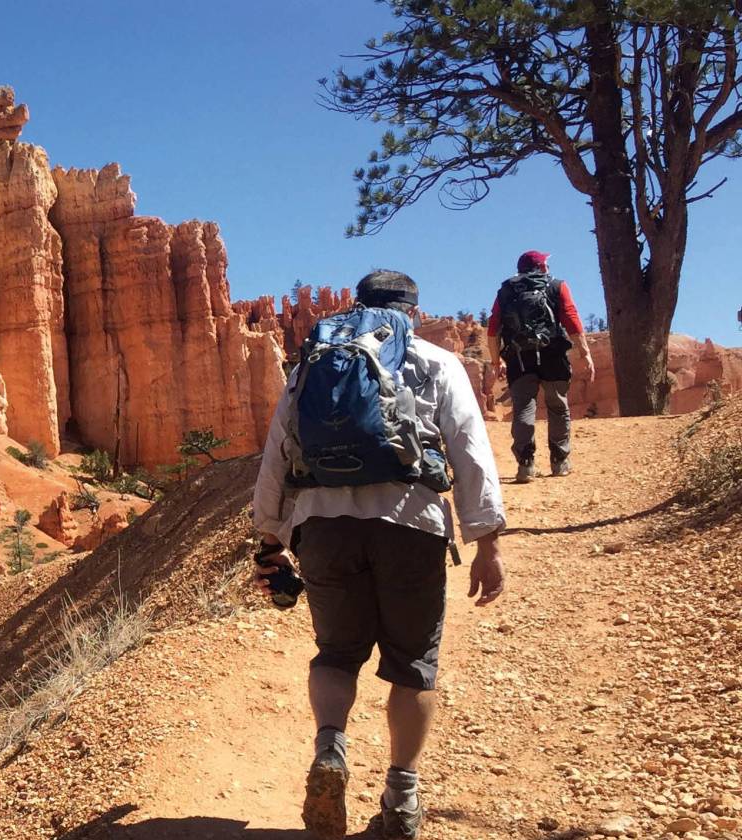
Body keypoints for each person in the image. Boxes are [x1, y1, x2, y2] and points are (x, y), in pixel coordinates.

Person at [253, 269, 508, 839]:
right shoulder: (435, 362)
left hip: (322, 527)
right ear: (411, 311)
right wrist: (485, 538)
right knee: (413, 663)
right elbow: (470, 450)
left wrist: (269, 538)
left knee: (336, 653)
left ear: (356, 307)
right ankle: (402, 797)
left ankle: (330, 751)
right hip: (410, 526)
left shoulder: (310, 369)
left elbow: (276, 456)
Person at [487, 250, 593, 482]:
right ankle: (560, 461)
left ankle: (525, 465)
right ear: (542, 267)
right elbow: (571, 318)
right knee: (557, 406)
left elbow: (493, 328)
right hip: (553, 354)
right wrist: (585, 353)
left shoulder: (506, 290)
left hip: (520, 358)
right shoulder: (557, 286)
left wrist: (497, 361)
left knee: (524, 407)